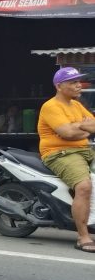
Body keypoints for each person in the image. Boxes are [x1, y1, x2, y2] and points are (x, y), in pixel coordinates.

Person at [38, 67, 95, 253]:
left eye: (79, 82)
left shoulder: (77, 105)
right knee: (84, 186)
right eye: (73, 82)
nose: (79, 85)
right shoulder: (51, 106)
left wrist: (79, 126)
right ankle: (83, 236)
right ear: (59, 86)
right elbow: (67, 133)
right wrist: (83, 126)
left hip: (85, 150)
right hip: (60, 153)